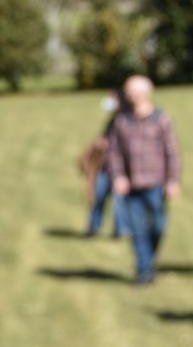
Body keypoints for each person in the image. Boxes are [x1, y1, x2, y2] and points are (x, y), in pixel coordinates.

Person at [108, 75, 182, 285]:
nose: (128, 96)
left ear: (143, 94)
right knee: (137, 229)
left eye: (131, 92)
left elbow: (172, 152)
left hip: (156, 184)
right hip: (131, 186)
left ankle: (148, 258)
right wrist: (118, 176)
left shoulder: (161, 119)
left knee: (158, 226)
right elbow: (114, 152)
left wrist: (173, 180)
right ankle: (144, 270)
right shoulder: (122, 120)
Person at [78, 90, 130, 238]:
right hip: (105, 166)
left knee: (119, 201)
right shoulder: (113, 119)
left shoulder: (125, 120)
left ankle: (121, 230)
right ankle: (94, 227)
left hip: (119, 168)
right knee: (98, 196)